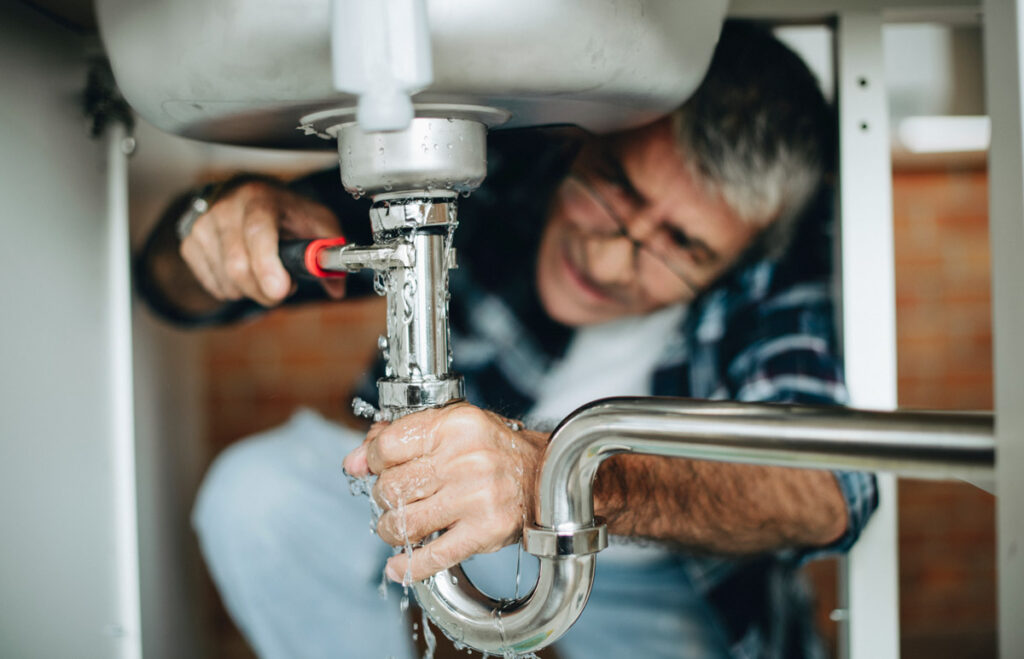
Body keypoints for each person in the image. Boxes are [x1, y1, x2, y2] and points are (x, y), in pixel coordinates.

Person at [137, 22, 876, 659]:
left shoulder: (781, 259)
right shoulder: (503, 166)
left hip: (662, 566)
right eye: (615, 186)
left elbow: (825, 491)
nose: (609, 258)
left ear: (738, 259)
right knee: (259, 498)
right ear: (589, 139)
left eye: (680, 245)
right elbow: (172, 290)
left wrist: (559, 477)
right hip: (454, 503)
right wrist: (222, 222)